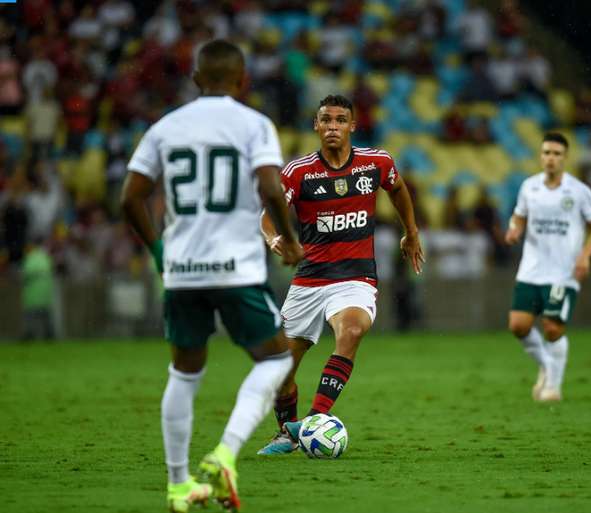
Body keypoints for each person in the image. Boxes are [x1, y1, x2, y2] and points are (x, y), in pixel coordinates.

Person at [120, 40, 303, 513]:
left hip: (182, 271)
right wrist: (292, 241)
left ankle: (178, 485)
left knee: (183, 372)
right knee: (275, 361)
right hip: (235, 269)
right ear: (243, 81)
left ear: (197, 78)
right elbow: (269, 186)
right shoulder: (254, 124)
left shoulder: (166, 127)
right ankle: (225, 454)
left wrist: (161, 252)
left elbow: (130, 198)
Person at [257, 94, 424, 454]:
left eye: (340, 120)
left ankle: (314, 420)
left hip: (355, 276)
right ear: (316, 126)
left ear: (351, 125)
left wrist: (411, 231)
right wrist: (273, 239)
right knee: (280, 370)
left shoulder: (375, 163)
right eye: (326, 120)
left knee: (351, 329)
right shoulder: (298, 172)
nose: (332, 126)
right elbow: (267, 216)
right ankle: (286, 433)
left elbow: (397, 188)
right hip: (309, 279)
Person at [505, 132, 591, 402]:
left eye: (556, 154)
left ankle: (553, 386)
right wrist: (514, 230)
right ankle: (547, 364)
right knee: (518, 325)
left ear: (565, 158)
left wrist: (585, 255)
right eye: (546, 153)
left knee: (552, 328)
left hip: (562, 273)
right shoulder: (529, 187)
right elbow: (518, 216)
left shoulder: (579, 191)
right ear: (541, 156)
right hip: (531, 269)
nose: (551, 158)